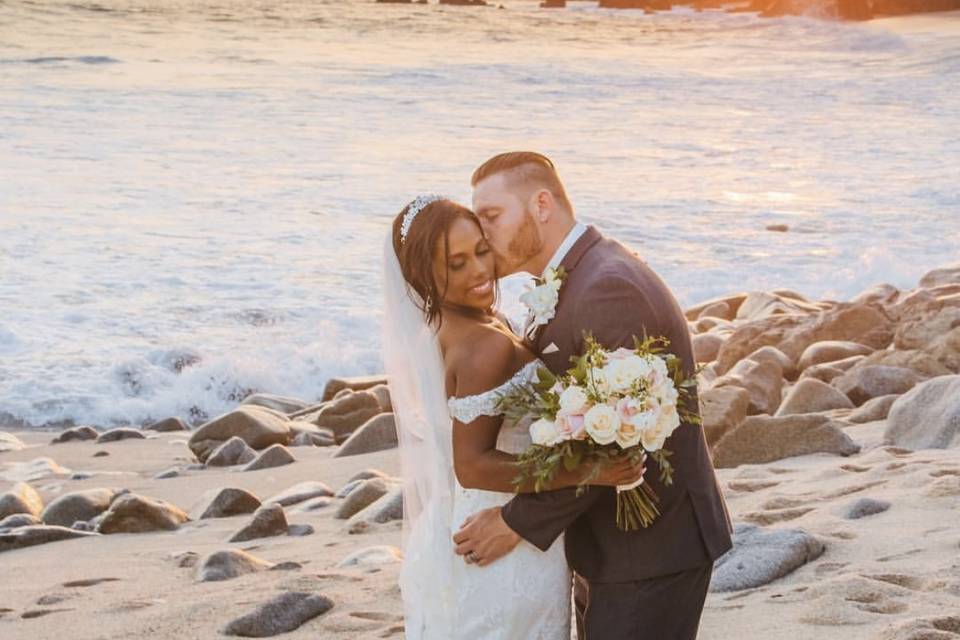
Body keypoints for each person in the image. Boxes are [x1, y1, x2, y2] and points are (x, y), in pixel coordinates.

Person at [451, 151, 734, 640]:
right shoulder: (577, 275)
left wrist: (516, 521)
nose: (483, 234)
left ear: (542, 204)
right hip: (613, 542)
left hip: (650, 546)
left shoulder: (608, 288)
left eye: (492, 216)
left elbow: (623, 437)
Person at [382, 194, 646, 639]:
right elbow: (471, 464)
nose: (480, 271)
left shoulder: (457, 323)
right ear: (422, 274)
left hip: (461, 524)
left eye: (481, 251)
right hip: (499, 536)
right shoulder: (482, 345)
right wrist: (587, 470)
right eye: (456, 264)